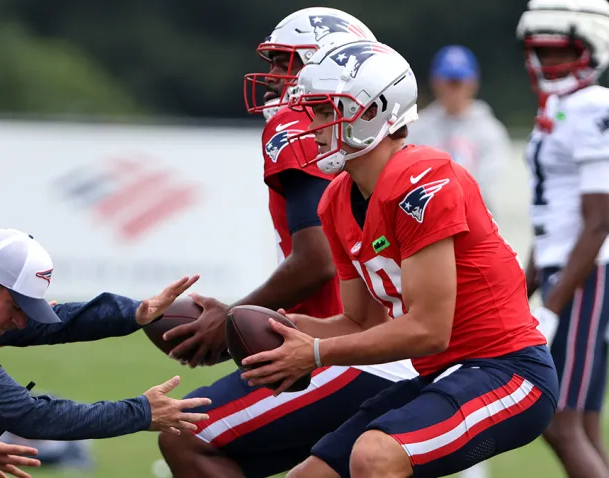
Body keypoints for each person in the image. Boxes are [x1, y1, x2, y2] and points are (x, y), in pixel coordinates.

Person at [238, 39, 560, 478]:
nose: (313, 126)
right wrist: (273, 328)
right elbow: (361, 321)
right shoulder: (336, 199)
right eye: (314, 112)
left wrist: (315, 352)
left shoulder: (423, 179)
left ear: (374, 112)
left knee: (375, 455)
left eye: (328, 111)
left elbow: (429, 329)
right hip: (442, 372)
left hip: (507, 369)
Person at [156, 8, 417, 478]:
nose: (274, 77)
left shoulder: (301, 126)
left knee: (185, 432)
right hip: (384, 345)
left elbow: (315, 258)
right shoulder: (386, 141)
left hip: (348, 350)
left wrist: (230, 318)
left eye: (285, 63)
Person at [0, 228, 211, 478]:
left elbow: (56, 323)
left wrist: (134, 314)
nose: (21, 321)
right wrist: (141, 412)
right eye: (17, 305)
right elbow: (32, 416)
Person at [516, 1, 609, 477]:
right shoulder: (561, 111)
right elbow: (551, 220)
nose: (547, 65)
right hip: (563, 269)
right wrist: (522, 289)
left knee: (561, 420)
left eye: (558, 53)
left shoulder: (602, 109)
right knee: (582, 423)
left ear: (592, 49)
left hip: (586, 273)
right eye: (541, 53)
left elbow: (596, 222)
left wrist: (552, 303)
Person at [407, 44, 511, 210]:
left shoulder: (489, 129)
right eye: (449, 82)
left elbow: (491, 174)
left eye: (459, 82)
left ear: (473, 83)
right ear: (436, 82)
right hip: (427, 211)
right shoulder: (419, 127)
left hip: (474, 209)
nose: (454, 90)